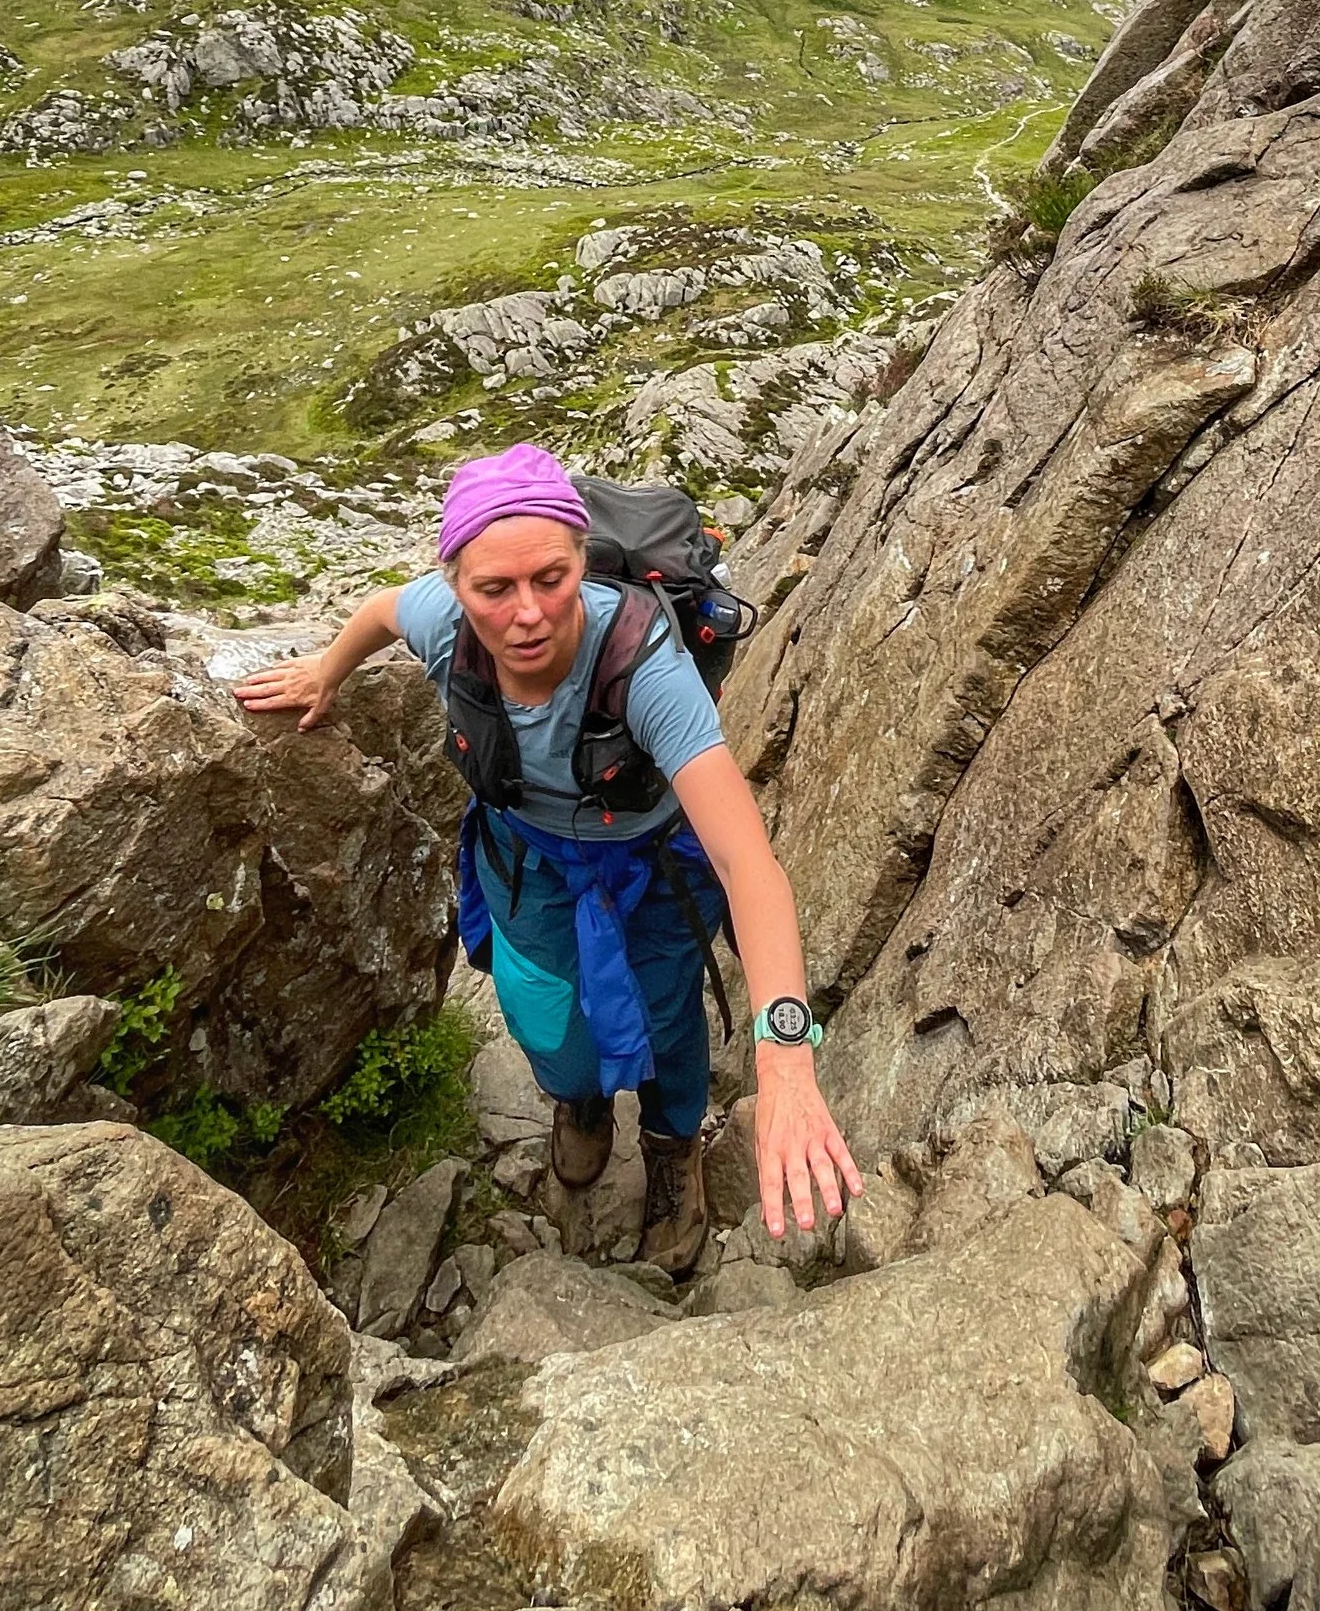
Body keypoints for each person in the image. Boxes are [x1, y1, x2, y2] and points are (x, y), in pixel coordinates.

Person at [237, 442, 861, 1279]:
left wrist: (785, 1054)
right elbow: (385, 609)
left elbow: (749, 863)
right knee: (545, 1017)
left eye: (551, 579)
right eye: (494, 588)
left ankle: (672, 1146)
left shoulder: (646, 669)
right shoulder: (440, 620)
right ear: (457, 586)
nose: (526, 613)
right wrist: (326, 671)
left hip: (652, 871)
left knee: (668, 1017)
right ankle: (584, 1096)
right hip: (525, 860)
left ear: (581, 563)